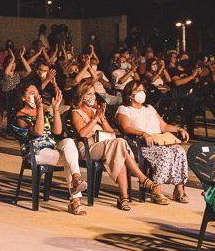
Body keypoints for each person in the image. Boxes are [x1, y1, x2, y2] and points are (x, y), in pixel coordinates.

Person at [69, 81, 168, 211]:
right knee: (120, 144)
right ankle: (142, 179)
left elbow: (111, 133)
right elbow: (82, 133)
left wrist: (102, 118)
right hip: (88, 147)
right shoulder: (76, 112)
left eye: (94, 93)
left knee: (119, 151)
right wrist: (94, 120)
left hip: (106, 144)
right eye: (89, 94)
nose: (92, 97)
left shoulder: (96, 111)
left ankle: (124, 197)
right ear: (82, 96)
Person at [11, 83, 91, 214]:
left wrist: (55, 109)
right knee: (69, 160)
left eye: (36, 93)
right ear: (23, 98)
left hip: (51, 148)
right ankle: (76, 201)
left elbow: (57, 131)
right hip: (35, 152)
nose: (35, 96)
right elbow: (38, 131)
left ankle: (76, 178)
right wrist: (40, 110)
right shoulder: (19, 117)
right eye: (31, 93)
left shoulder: (44, 111)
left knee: (69, 142)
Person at [115, 80, 190, 203]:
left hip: (158, 140)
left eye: (142, 90)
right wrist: (143, 133)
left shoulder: (149, 108)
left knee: (179, 151)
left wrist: (179, 129)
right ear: (129, 94)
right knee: (165, 154)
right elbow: (125, 127)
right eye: (138, 90)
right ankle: (156, 189)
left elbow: (164, 127)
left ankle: (179, 189)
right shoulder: (124, 109)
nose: (142, 92)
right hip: (140, 143)